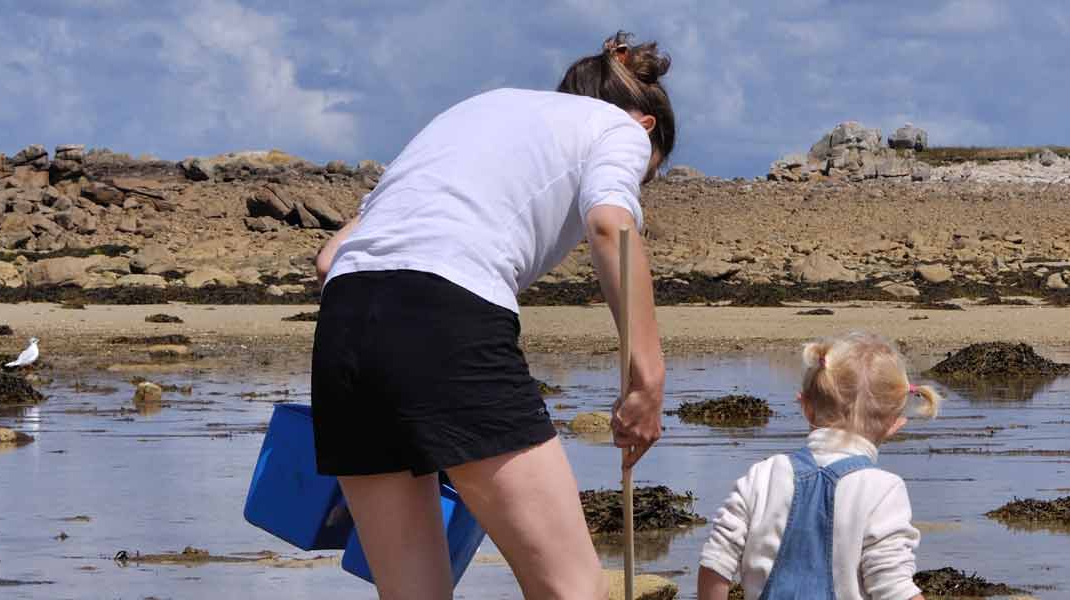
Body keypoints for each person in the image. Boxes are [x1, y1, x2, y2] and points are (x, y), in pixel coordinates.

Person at [310, 31, 672, 600]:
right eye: (647, 177)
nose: (639, 185)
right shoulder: (619, 130)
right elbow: (610, 226)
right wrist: (646, 381)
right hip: (446, 313)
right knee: (572, 589)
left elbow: (329, 257)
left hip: (345, 324)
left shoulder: (479, 108)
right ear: (646, 127)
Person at [698, 332, 940, 600]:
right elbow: (893, 587)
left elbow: (715, 562)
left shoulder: (763, 475)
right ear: (895, 423)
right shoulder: (883, 489)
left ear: (806, 407)